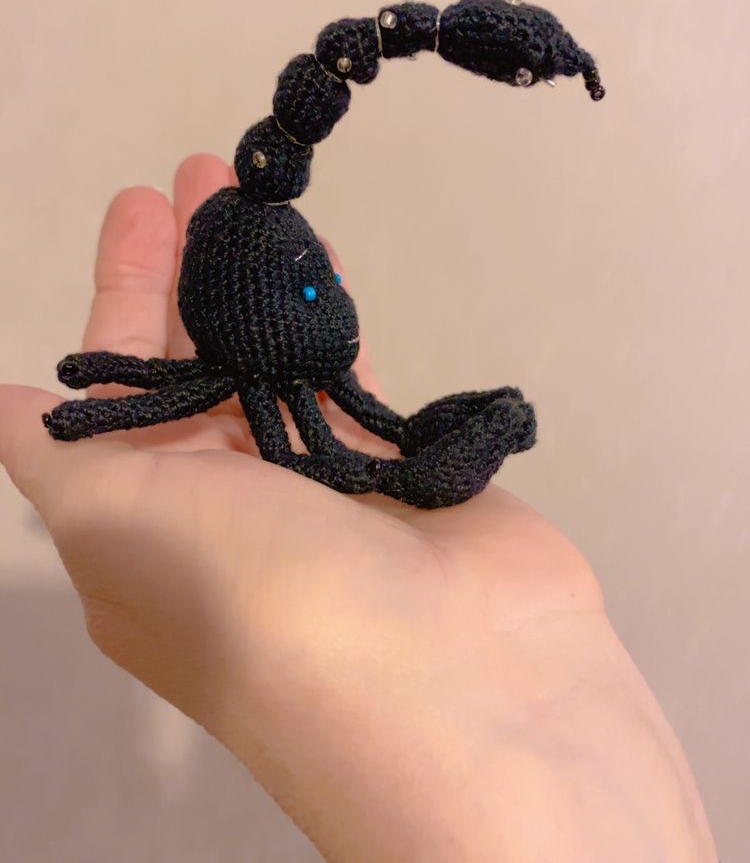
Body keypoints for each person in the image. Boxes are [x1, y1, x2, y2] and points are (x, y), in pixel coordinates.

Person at [0, 154, 718, 862]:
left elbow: (390, 433)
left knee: (400, 432)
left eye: (327, 284)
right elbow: (283, 452)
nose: (336, 305)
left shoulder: (323, 346)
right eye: (317, 288)